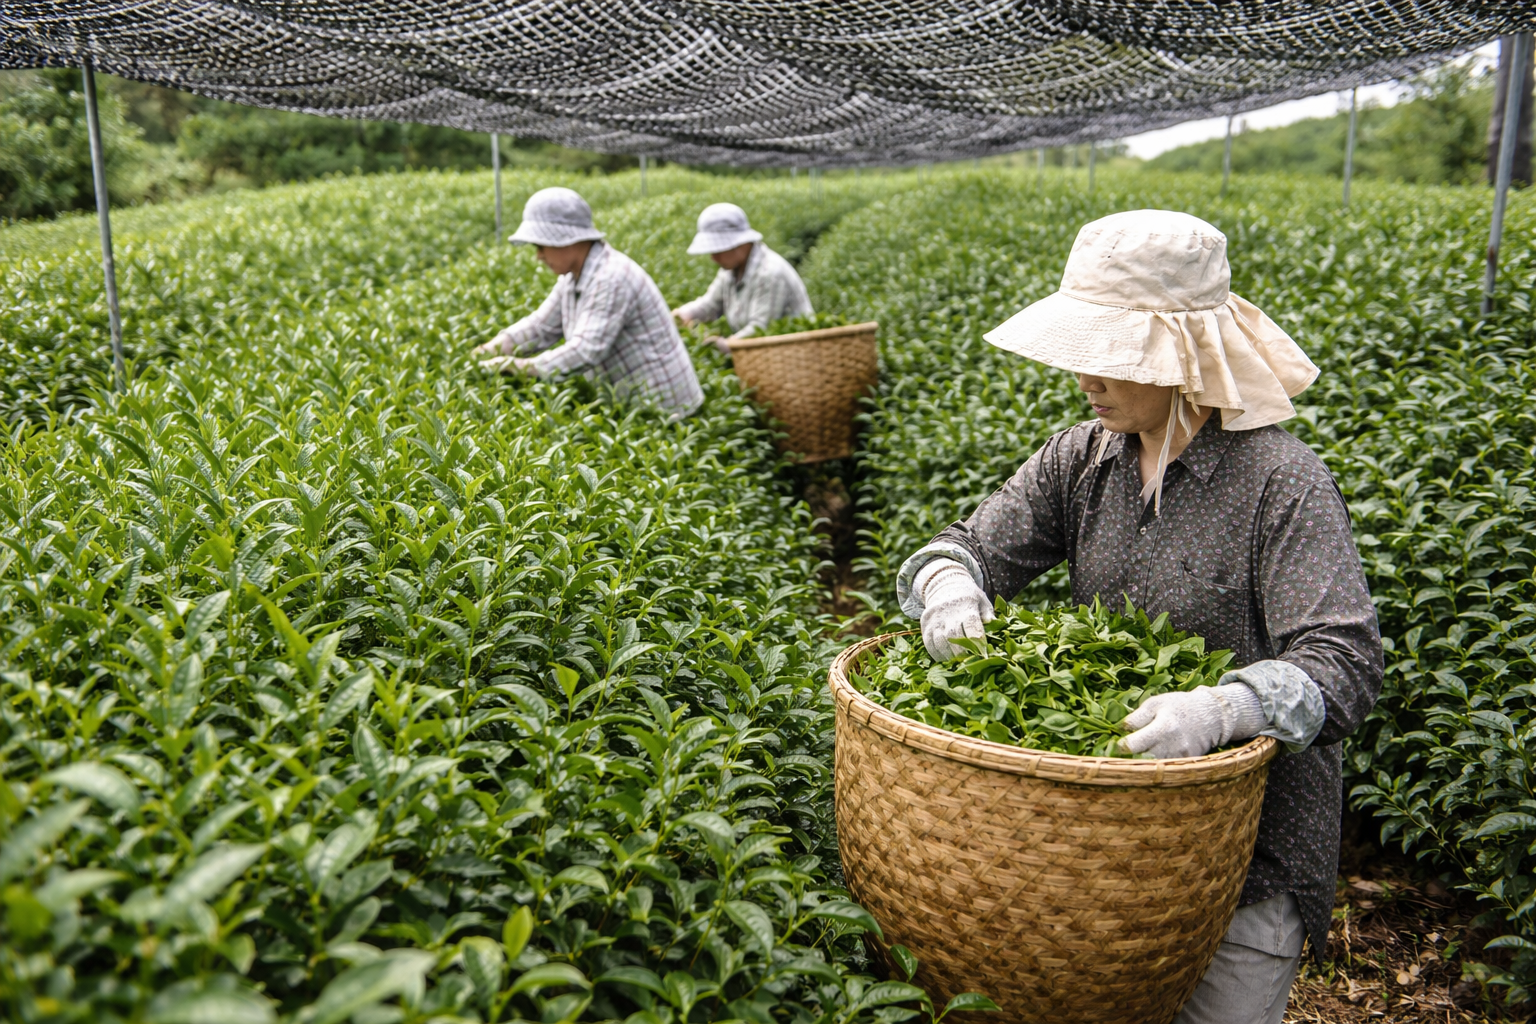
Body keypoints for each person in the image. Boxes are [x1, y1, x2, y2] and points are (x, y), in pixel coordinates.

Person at [896, 209, 1382, 1024]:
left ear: (1182, 357)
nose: (1086, 377)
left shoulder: (1280, 482)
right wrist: (950, 582)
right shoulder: (1082, 456)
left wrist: (1225, 707)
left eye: (1110, 356)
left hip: (1244, 849)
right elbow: (969, 544)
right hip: (1110, 845)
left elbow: (1346, 663)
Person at [472, 187, 704, 419]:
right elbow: (540, 327)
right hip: (632, 402)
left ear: (567, 240)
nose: (539, 256)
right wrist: (489, 350)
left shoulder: (611, 277)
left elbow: (584, 351)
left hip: (668, 410)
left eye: (541, 246)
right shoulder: (573, 276)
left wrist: (517, 367)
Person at [672, 203, 813, 351]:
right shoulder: (730, 270)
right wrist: (680, 315)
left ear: (740, 244)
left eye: (718, 249)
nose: (713, 257)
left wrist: (723, 345)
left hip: (794, 357)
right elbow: (710, 305)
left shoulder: (770, 273)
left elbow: (759, 329)